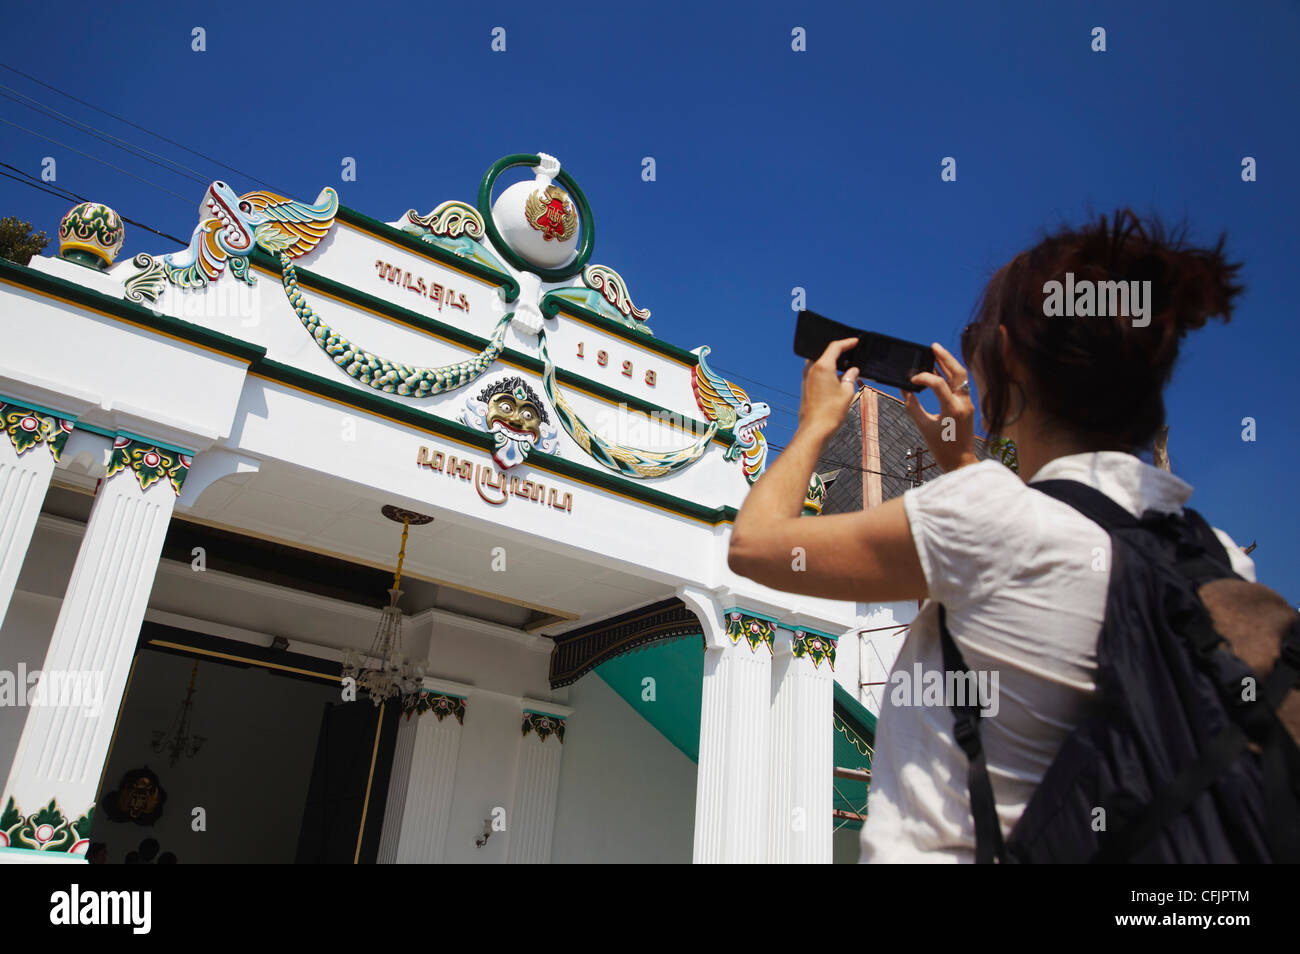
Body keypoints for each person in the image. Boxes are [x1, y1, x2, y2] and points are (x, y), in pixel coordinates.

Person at [727, 209, 1254, 862]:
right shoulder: (1217, 555)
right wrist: (957, 452)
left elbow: (753, 545)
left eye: (976, 335)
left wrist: (815, 423)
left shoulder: (984, 520)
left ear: (1006, 356)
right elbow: (1033, 540)